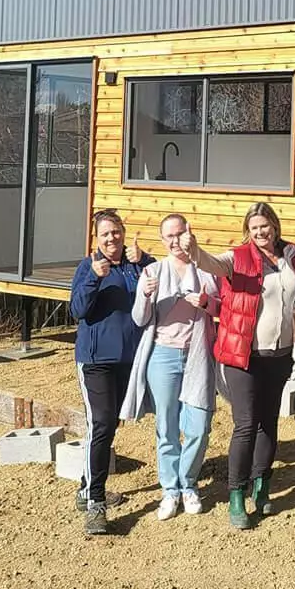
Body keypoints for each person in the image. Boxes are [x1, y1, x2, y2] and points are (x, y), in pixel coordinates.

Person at [181, 202, 295, 529]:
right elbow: (212, 263)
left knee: (269, 422)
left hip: (280, 355)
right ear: (248, 231)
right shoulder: (237, 258)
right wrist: (194, 249)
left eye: (265, 226)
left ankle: (262, 485)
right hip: (244, 356)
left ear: (275, 226)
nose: (260, 232)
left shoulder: (294, 254)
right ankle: (237, 494)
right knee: (246, 424)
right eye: (254, 228)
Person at [120, 213, 220, 520]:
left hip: (197, 355)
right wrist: (146, 294)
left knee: (199, 426)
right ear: (162, 240)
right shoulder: (153, 271)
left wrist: (204, 302)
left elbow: (220, 308)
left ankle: (189, 483)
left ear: (190, 233)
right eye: (169, 237)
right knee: (167, 426)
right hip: (162, 355)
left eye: (180, 234)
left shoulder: (205, 270)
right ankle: (170, 490)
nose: (176, 241)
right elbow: (139, 318)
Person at [69, 208, 155, 536]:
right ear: (97, 238)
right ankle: (95, 504)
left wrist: (145, 258)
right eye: (105, 234)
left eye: (115, 232)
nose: (111, 238)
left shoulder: (136, 265)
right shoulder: (87, 267)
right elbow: (77, 309)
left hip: (127, 360)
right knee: (100, 424)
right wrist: (94, 276)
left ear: (123, 232)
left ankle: (85, 488)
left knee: (108, 426)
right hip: (95, 360)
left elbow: (157, 284)